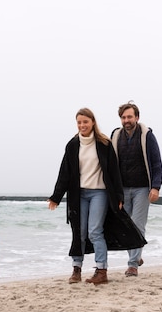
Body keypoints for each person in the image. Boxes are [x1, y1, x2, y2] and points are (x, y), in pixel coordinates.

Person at [48, 108, 143, 285]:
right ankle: (76, 269)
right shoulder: (72, 145)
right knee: (79, 231)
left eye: (85, 121)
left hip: (100, 193)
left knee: (95, 231)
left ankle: (101, 270)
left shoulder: (104, 143)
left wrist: (118, 196)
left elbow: (114, 172)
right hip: (79, 194)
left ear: (92, 122)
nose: (82, 125)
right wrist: (56, 196)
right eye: (79, 122)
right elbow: (65, 173)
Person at [111, 101, 162, 277]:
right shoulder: (116, 136)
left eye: (130, 117)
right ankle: (137, 255)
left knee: (137, 224)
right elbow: (110, 165)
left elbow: (156, 163)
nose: (127, 120)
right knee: (125, 226)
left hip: (142, 188)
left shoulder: (147, 135)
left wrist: (156, 187)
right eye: (124, 117)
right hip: (122, 189)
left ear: (137, 117)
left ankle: (132, 264)